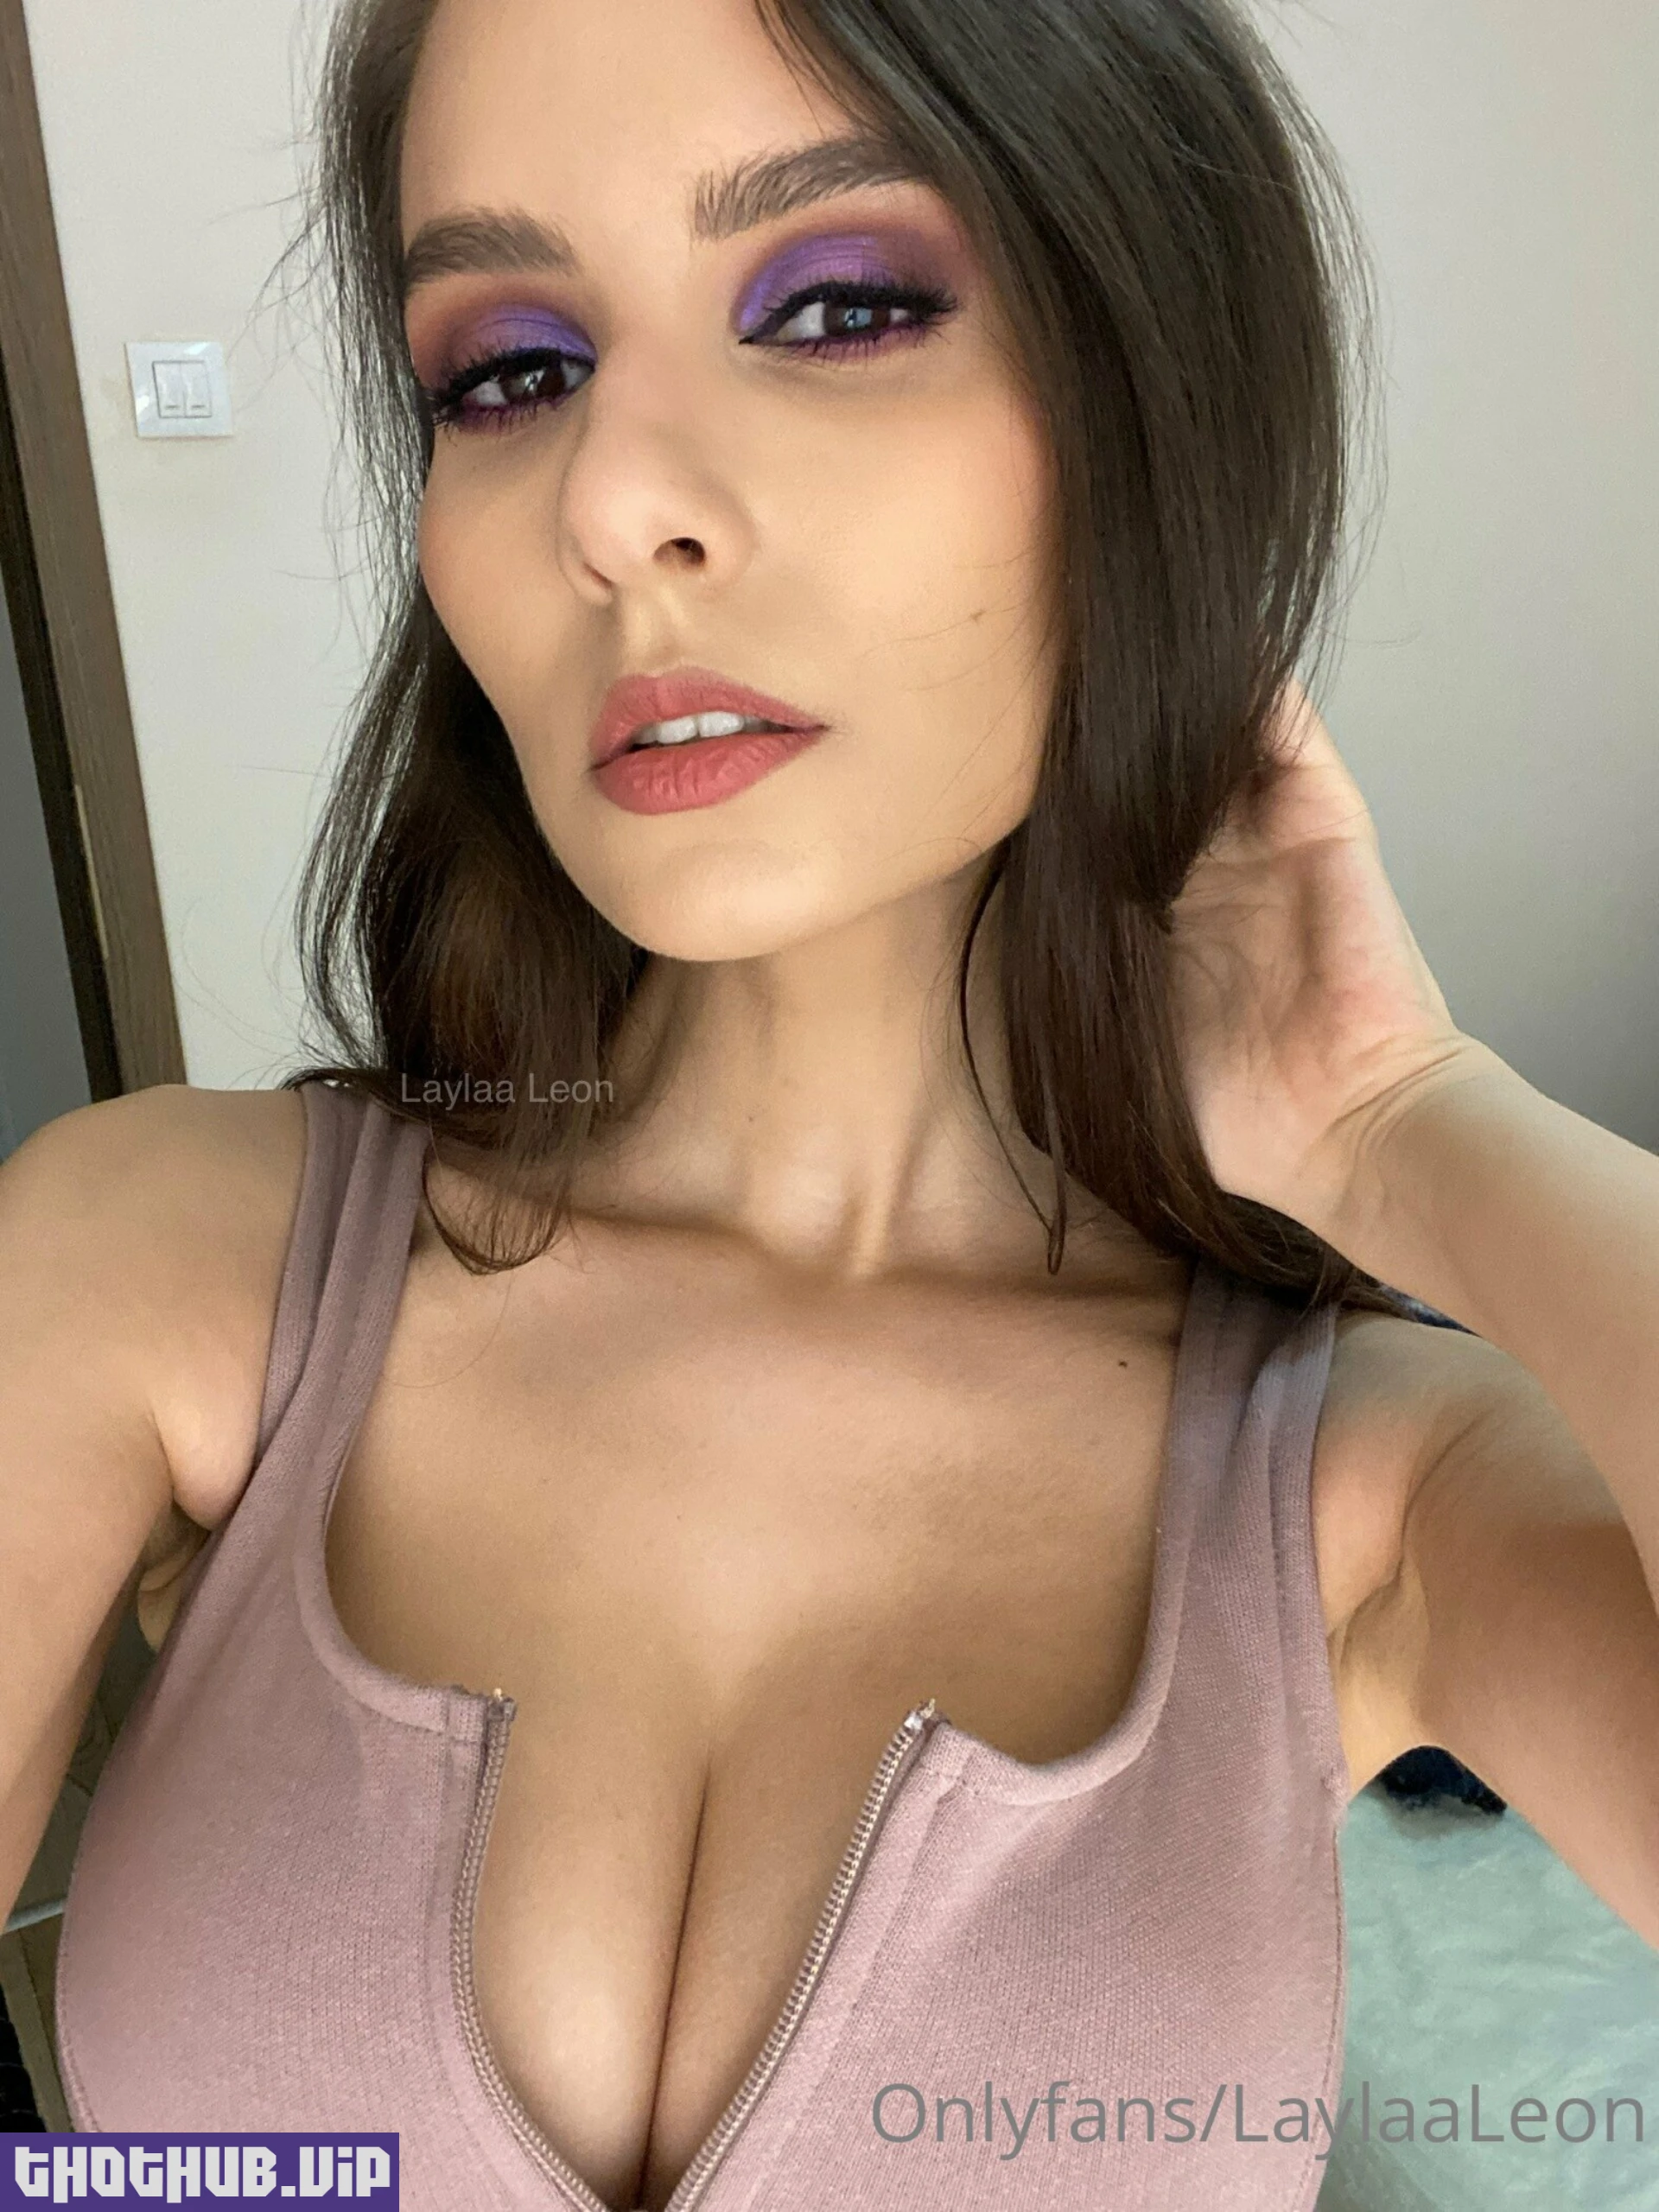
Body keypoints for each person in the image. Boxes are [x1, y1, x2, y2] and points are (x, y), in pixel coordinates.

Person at [3, 0, 1656, 2206]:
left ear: (1151, 403)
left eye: (843, 306)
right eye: (511, 370)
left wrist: (1409, 1121)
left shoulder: (1377, 1482)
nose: (610, 504)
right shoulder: (154, 1261)